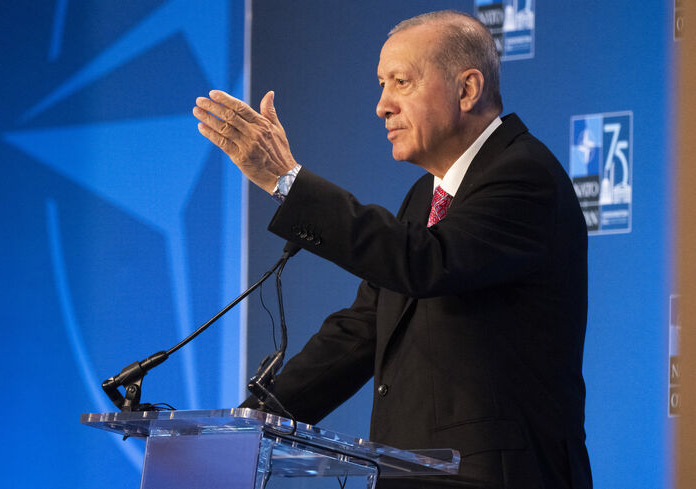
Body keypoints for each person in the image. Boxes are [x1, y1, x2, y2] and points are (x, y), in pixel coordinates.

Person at [192, 10, 591, 489]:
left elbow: (425, 263)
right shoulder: (425, 198)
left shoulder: (524, 176)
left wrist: (289, 183)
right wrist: (244, 425)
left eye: (400, 82)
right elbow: (361, 332)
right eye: (382, 85)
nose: (382, 105)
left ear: (467, 89)